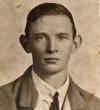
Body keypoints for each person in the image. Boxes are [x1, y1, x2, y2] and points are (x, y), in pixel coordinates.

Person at [0, 2, 100, 110]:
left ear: (75, 44)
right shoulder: (3, 100)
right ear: (26, 44)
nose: (52, 48)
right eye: (41, 38)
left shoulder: (95, 106)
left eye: (61, 37)